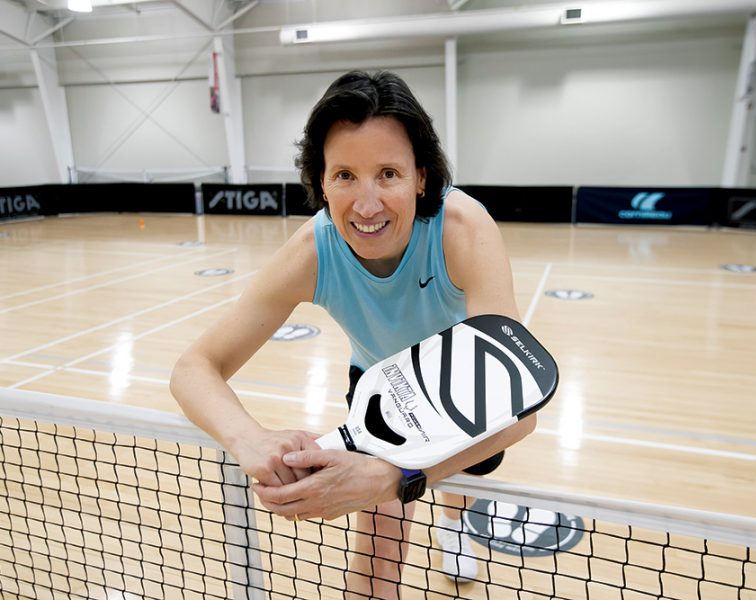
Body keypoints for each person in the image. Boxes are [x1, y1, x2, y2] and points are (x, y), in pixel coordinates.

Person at [170, 70, 536, 599]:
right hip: (381, 381)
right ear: (322, 180)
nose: (366, 206)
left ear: (422, 177)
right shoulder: (312, 251)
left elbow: (519, 411)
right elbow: (193, 367)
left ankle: (454, 525)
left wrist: (399, 476)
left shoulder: (465, 232)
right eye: (345, 175)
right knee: (379, 542)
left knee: (461, 477)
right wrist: (249, 437)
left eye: (387, 173)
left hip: (462, 385)